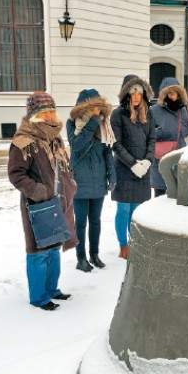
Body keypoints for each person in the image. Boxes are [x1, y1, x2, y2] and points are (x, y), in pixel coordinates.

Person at [8, 91, 77, 311]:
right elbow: (16, 174)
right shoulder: (23, 141)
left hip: (59, 202)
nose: (49, 117)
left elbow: (64, 166)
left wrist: (70, 184)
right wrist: (37, 191)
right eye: (43, 113)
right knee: (38, 251)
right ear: (33, 115)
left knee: (54, 247)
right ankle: (39, 297)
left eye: (51, 112)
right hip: (37, 205)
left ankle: (52, 289)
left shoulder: (55, 138)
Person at [66, 89, 117, 272]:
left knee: (95, 220)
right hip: (79, 180)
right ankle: (81, 258)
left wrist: (112, 174)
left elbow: (107, 152)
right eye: (92, 106)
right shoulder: (72, 123)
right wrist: (93, 121)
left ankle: (94, 254)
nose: (96, 110)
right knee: (80, 222)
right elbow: (77, 146)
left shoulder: (104, 124)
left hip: (98, 179)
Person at [110, 74, 156, 259]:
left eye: (140, 92)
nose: (137, 96)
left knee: (137, 210)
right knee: (123, 209)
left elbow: (152, 139)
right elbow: (116, 144)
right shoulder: (118, 114)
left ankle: (135, 242)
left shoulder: (149, 113)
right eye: (133, 92)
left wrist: (147, 161)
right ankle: (124, 246)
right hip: (124, 169)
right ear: (126, 93)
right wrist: (132, 164)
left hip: (142, 170)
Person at [149, 77, 188, 197]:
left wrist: (187, 129)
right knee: (160, 194)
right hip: (160, 158)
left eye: (176, 93)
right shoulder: (154, 110)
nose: (173, 96)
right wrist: (162, 133)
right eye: (170, 93)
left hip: (179, 155)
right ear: (165, 94)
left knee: (178, 194)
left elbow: (184, 127)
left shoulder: (182, 110)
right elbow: (147, 133)